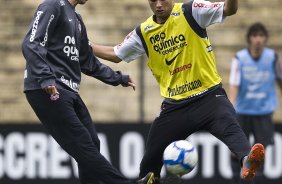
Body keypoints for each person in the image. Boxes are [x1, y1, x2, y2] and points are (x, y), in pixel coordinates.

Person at [92, 0, 266, 183]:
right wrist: (85, 45)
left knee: (232, 129)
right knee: (148, 165)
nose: (158, 4)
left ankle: (248, 160)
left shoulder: (191, 11)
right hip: (175, 106)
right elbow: (115, 54)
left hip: (209, 96)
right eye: (153, 0)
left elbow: (229, 9)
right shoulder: (144, 31)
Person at [21, 0, 155, 184]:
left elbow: (87, 62)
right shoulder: (52, 6)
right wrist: (45, 78)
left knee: (92, 142)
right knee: (84, 145)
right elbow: (31, 43)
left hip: (68, 90)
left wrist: (118, 78)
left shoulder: (77, 19)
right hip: (47, 89)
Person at [229, 22, 282, 184]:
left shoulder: (272, 58)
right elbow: (234, 85)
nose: (258, 39)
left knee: (260, 153)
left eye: (261, 36)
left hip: (263, 112)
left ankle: (254, 180)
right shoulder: (239, 59)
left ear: (265, 39)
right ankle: (236, 180)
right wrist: (230, 108)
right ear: (249, 39)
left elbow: (280, 80)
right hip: (243, 111)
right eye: (254, 36)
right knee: (238, 151)